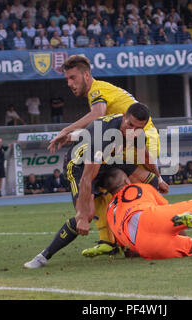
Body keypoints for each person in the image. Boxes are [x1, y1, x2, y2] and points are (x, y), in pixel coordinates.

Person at [23, 104, 168, 268]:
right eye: (130, 125)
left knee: (150, 181)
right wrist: (84, 218)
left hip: (106, 162)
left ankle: (148, 237)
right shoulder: (102, 135)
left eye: (137, 128)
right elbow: (87, 178)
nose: (132, 131)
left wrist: (160, 178)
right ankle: (43, 257)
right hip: (78, 167)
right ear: (123, 116)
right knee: (86, 215)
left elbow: (145, 157)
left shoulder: (136, 132)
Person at [47, 55, 161, 257]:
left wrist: (65, 131)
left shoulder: (97, 90)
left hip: (140, 141)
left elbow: (97, 116)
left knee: (131, 189)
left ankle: (145, 236)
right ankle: (110, 240)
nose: (70, 84)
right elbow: (100, 129)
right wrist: (74, 135)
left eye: (73, 78)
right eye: (67, 80)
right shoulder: (104, 92)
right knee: (100, 186)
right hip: (127, 143)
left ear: (86, 75)